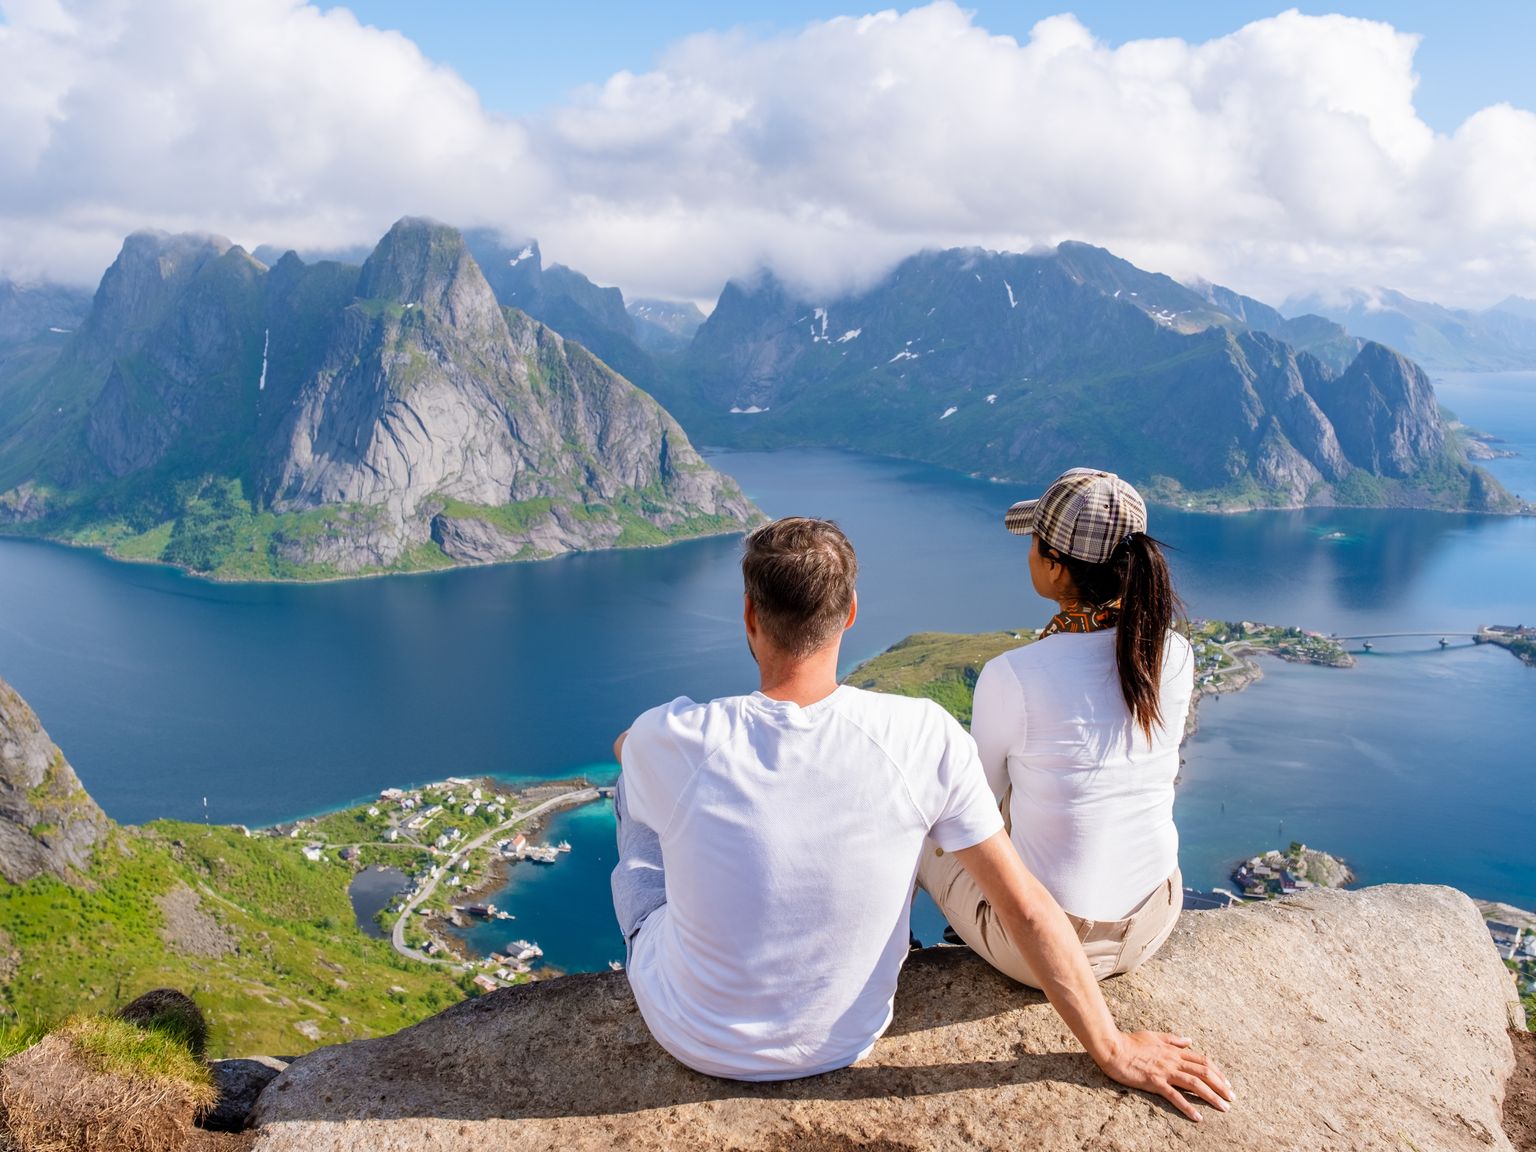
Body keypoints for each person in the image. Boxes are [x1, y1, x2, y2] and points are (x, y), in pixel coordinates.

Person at [611, 516, 1230, 1121]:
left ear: (750, 615)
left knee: (633, 790)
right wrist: (1113, 1047)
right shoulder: (920, 733)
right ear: (850, 612)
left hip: (692, 1035)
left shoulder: (672, 737)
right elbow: (1026, 906)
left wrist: (634, 753)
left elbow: (631, 752)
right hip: (849, 1034)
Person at [917, 468, 1193, 988]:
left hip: (1051, 952)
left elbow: (971, 813)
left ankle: (884, 960)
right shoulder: (1173, 653)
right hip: (1155, 919)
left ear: (1057, 567)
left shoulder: (1016, 676)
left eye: (1036, 543)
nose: (1028, 554)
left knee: (923, 814)